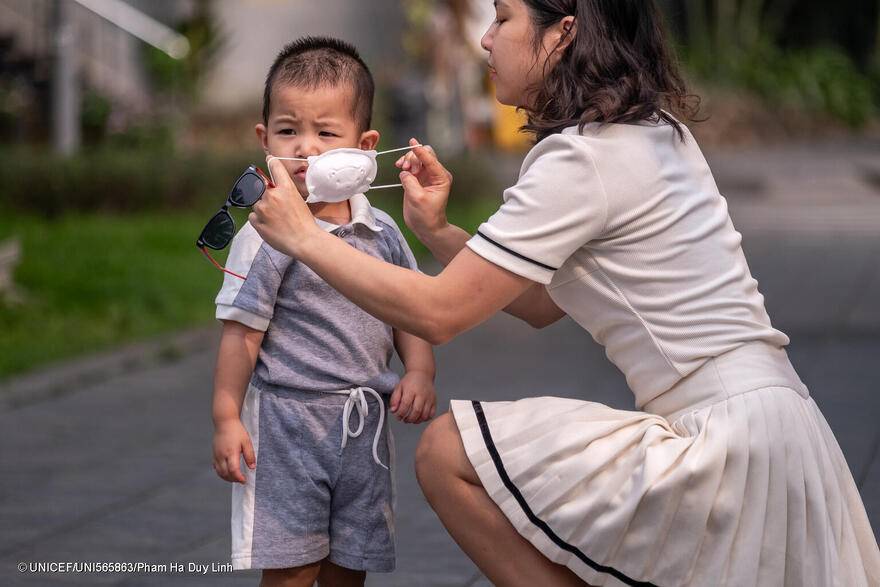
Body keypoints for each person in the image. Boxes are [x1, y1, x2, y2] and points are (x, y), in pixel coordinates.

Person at [247, 2, 880, 586]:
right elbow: (541, 304)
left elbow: (438, 315)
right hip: (777, 425)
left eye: (503, 18)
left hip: (722, 441)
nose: (486, 39)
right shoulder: (652, 130)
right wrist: (437, 230)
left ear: (563, 33)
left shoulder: (582, 160)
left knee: (447, 453)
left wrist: (304, 237)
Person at [210, 37, 437, 587]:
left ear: (365, 145)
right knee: (293, 566)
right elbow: (242, 334)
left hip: (364, 429)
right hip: (288, 427)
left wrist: (420, 370)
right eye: (288, 130)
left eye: (327, 133)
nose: (305, 148)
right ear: (264, 139)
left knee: (349, 566)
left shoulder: (381, 231)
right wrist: (226, 416)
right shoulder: (264, 235)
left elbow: (409, 307)